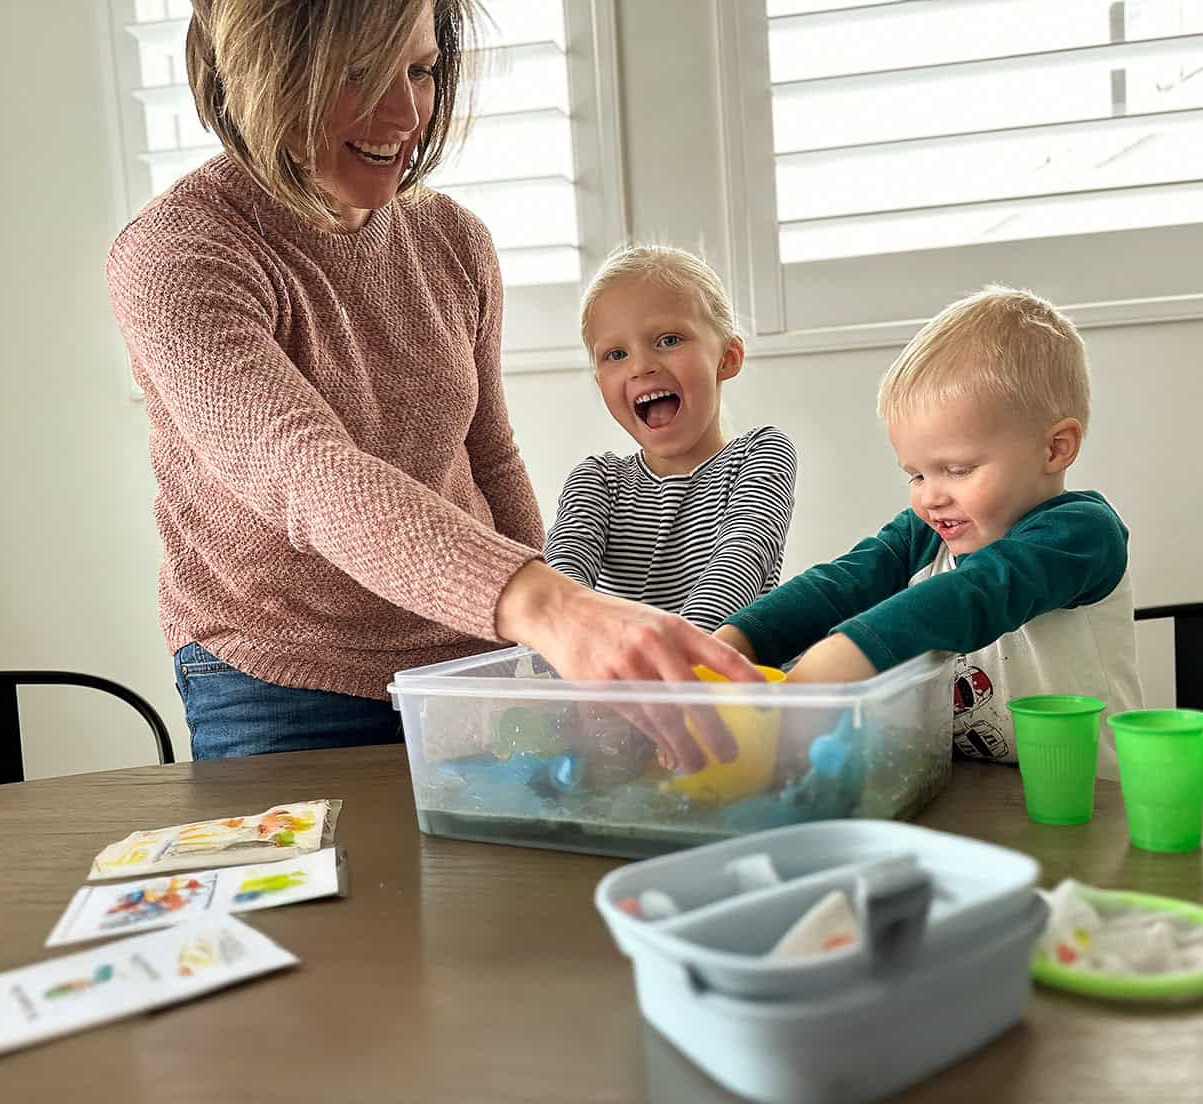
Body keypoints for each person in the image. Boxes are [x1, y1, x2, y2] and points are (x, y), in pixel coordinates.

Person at [109, 0, 751, 765]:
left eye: (420, 69)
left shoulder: (455, 241)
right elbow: (305, 469)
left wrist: (538, 650)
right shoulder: (177, 253)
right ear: (263, 72)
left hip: (463, 663)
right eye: (358, 73)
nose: (406, 110)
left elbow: (491, 459)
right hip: (280, 676)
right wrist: (550, 608)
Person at [712, 287, 1145, 769]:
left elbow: (977, 593)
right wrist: (736, 642)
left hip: (1089, 807)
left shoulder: (1082, 535)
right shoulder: (926, 533)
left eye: (957, 470)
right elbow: (840, 585)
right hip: (967, 799)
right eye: (916, 474)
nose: (930, 496)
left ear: (1055, 449)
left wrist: (847, 654)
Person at [545, 246, 797, 632]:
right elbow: (563, 583)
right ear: (600, 381)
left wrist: (672, 668)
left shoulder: (760, 453)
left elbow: (740, 561)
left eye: (668, 340)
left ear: (726, 358)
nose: (641, 366)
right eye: (615, 354)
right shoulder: (597, 480)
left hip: (721, 680)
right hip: (619, 682)